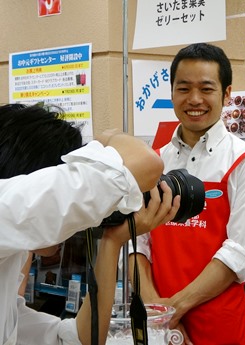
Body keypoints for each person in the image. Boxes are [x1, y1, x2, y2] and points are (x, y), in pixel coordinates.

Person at [0, 103, 180, 345]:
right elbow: (147, 163)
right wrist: (108, 138)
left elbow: (80, 338)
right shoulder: (6, 206)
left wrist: (113, 241)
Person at [129, 43, 245, 344]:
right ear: (171, 93)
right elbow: (134, 244)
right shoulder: (153, 163)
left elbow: (239, 253)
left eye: (206, 88)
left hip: (219, 324)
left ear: (227, 93)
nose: (194, 99)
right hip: (159, 323)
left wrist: (173, 309)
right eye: (183, 88)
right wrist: (157, 313)